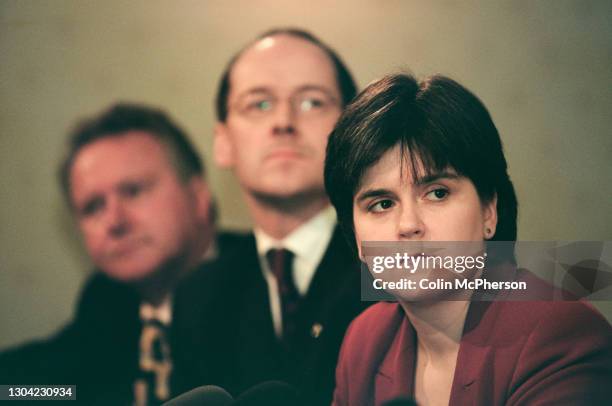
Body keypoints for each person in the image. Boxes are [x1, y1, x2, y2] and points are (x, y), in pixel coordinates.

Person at [324, 73, 612, 405]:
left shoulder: (561, 335)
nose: (408, 225)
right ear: (356, 236)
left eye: (437, 193)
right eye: (382, 204)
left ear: (489, 211)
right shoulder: (365, 342)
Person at [171, 28, 367, 405]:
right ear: (223, 143)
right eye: (258, 104)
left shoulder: (405, 256)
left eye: (312, 102)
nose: (283, 121)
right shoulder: (198, 297)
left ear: (353, 133)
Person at [0, 103, 228, 405]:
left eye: (133, 191)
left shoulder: (273, 282)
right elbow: (46, 388)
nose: (115, 222)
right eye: (93, 207)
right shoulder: (107, 302)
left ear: (199, 196)